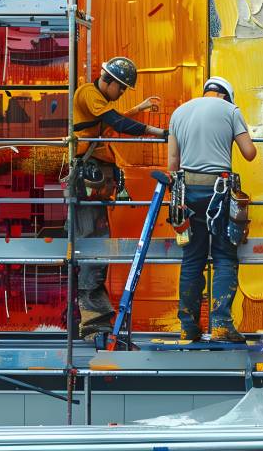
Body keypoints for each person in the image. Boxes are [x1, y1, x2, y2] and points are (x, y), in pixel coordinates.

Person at [71, 56, 166, 342]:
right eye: (121, 88)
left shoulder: (98, 101)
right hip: (87, 177)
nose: (122, 93)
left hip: (95, 178)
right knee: (93, 244)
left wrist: (138, 109)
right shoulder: (88, 93)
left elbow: (110, 123)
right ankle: (92, 322)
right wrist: (157, 132)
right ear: (108, 81)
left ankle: (96, 319)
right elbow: (115, 122)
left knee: (98, 241)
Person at [167, 76, 257, 343]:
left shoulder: (179, 112)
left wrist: (177, 197)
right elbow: (249, 152)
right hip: (219, 192)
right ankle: (220, 324)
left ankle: (188, 326)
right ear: (227, 96)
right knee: (224, 257)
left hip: (188, 192)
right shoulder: (230, 111)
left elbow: (173, 161)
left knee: (192, 259)